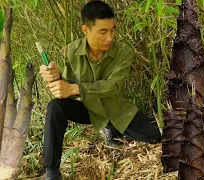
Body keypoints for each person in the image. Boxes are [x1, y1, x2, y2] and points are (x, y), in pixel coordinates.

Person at [39, 1, 161, 179]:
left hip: (118, 111)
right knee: (55, 106)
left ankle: (111, 129)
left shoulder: (124, 52)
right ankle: (51, 171)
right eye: (103, 31)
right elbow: (68, 90)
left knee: (156, 135)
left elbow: (112, 86)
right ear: (85, 30)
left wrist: (73, 88)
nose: (110, 37)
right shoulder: (71, 52)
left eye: (112, 30)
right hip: (90, 110)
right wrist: (56, 79)